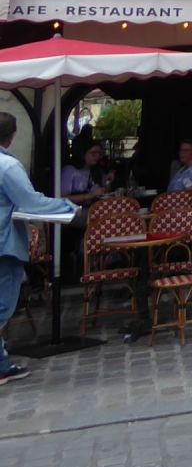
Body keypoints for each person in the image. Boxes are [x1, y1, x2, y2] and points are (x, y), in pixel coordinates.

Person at [0, 114, 75, 385]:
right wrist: (66, 206)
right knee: (2, 306)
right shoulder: (7, 166)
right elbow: (30, 202)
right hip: (4, 244)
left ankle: (2, 365)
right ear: (12, 135)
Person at [62, 140, 110, 205]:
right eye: (93, 153)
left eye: (99, 153)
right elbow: (63, 198)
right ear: (83, 153)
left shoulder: (96, 170)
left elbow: (104, 192)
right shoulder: (69, 170)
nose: (97, 156)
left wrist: (108, 181)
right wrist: (90, 196)